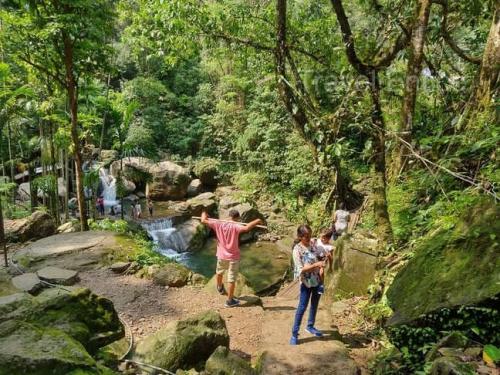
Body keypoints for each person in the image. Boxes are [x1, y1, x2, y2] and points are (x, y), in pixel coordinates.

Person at [201, 209, 263, 308]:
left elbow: (203, 220)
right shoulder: (235, 226)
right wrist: (258, 220)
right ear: (237, 218)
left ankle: (219, 286)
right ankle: (230, 301)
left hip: (221, 255)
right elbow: (247, 228)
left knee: (219, 271)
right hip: (233, 257)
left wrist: (204, 213)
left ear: (229, 215)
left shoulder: (218, 223)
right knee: (231, 278)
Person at [290, 224, 325, 345]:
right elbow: (300, 270)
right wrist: (316, 265)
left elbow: (320, 259)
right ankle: (294, 333)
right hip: (306, 282)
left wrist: (321, 270)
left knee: (314, 304)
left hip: (317, 280)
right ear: (300, 237)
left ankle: (310, 326)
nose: (309, 239)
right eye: (306, 237)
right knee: (302, 307)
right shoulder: (297, 250)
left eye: (310, 236)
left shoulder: (313, 245)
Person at [313, 228, 334, 295]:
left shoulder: (329, 247)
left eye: (324, 238)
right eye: (321, 237)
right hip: (314, 258)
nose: (322, 239)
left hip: (322, 260)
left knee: (321, 272)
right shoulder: (317, 241)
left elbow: (331, 258)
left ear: (328, 239)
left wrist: (330, 266)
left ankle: (321, 284)